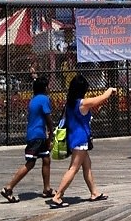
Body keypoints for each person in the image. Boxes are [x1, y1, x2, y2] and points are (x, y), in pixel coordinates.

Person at [48, 75, 116, 208]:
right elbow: (101, 98)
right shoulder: (82, 103)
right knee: (73, 168)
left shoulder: (70, 103)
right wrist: (110, 90)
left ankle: (94, 193)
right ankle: (58, 196)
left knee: (87, 165)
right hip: (80, 139)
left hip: (74, 137)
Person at [1, 76, 55, 203]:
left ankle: (47, 189)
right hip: (37, 136)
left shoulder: (33, 99)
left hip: (35, 134)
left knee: (46, 159)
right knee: (30, 163)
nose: (49, 88)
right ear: (44, 88)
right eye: (47, 86)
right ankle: (8, 187)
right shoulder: (44, 99)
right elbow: (48, 118)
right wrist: (51, 134)